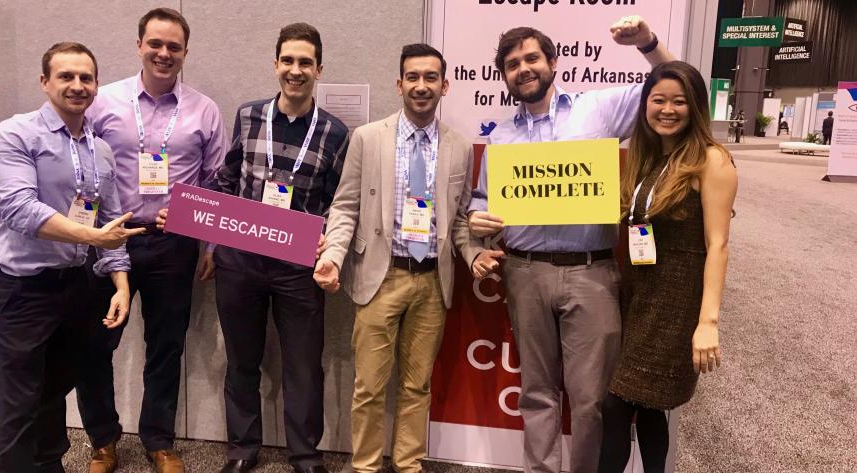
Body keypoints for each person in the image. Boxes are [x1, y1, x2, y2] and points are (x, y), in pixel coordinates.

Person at [466, 17, 675, 473]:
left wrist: (648, 44)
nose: (524, 68)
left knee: (591, 401)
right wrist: (476, 219)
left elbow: (674, 86)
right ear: (504, 76)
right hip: (525, 272)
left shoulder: (597, 109)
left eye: (532, 58)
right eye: (512, 64)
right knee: (537, 394)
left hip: (591, 272)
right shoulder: (500, 137)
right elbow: (481, 201)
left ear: (553, 63)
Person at [157, 22, 349, 473]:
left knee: (304, 365)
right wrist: (198, 227)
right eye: (288, 61)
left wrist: (327, 236)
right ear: (275, 64)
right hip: (241, 261)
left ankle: (305, 455)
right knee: (242, 360)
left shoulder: (335, 133)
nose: (296, 70)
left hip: (298, 266)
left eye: (305, 63)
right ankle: (242, 450)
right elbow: (225, 180)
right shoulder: (249, 116)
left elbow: (338, 201)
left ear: (319, 69)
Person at [314, 43, 497, 473]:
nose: (421, 85)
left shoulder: (459, 147)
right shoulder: (368, 138)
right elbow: (345, 207)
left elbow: (458, 222)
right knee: (369, 388)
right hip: (381, 277)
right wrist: (334, 256)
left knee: (417, 386)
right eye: (412, 77)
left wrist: (474, 255)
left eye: (431, 77)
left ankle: (409, 464)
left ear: (444, 86)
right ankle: (365, 466)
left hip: (432, 282)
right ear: (399, 84)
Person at [0, 42, 143, 473]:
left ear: (97, 85)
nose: (77, 85)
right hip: (22, 291)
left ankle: (49, 465)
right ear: (44, 81)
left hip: (75, 288)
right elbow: (19, 210)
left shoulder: (100, 150)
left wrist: (121, 285)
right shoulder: (15, 134)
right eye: (66, 76)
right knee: (21, 402)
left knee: (53, 393)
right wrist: (92, 236)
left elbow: (111, 222)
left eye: (86, 77)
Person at [74, 8, 224, 473]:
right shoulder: (103, 102)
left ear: (185, 52)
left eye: (173, 46)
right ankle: (102, 440)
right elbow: (80, 165)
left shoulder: (204, 110)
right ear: (139, 44)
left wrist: (209, 243)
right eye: (155, 43)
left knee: (166, 347)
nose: (164, 53)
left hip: (172, 243)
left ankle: (159, 440)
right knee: (95, 342)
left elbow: (215, 182)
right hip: (110, 239)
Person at [598, 61, 737, 473]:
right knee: (650, 406)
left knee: (617, 404)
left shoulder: (712, 160)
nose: (668, 109)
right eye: (658, 100)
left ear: (696, 106)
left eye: (679, 101)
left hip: (674, 303)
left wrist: (708, 322)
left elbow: (718, 245)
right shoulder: (650, 156)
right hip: (637, 295)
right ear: (645, 104)